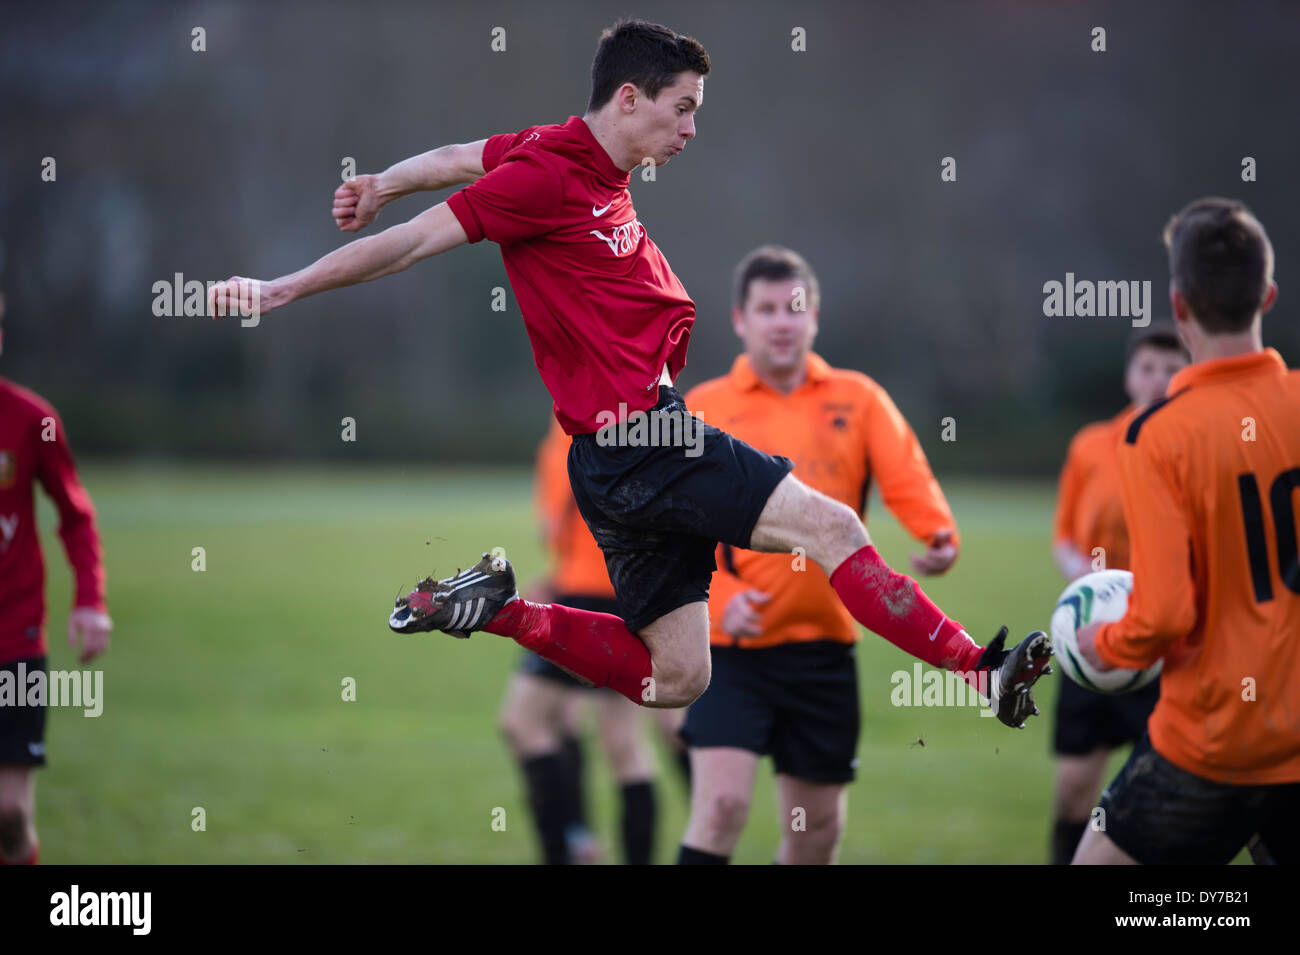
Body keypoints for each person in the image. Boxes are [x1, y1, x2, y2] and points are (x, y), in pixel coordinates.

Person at [208, 18, 1050, 729]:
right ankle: (979, 667)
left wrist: (383, 180)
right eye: (683, 110)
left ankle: (495, 608)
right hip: (644, 439)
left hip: (608, 459)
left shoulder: (561, 150)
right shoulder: (546, 178)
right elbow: (415, 243)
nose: (691, 129)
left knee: (677, 676)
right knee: (833, 529)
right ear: (629, 100)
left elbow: (466, 153)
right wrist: (281, 287)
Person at [677, 246, 960, 865]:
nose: (782, 321)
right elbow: (672, 534)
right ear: (739, 321)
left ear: (815, 319)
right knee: (720, 810)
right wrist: (721, 604)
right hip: (730, 652)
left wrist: (936, 533)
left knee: (816, 834)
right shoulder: (705, 407)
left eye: (795, 308)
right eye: (767, 309)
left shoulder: (858, 398)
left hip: (825, 647)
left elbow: (907, 475)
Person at [1075, 197, 1300, 864]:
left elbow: (1166, 612)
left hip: (1211, 744)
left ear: (1178, 306)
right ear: (1267, 294)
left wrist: (1105, 642)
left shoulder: (1159, 434)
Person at [498, 418, 686, 864]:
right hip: (604, 590)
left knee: (523, 720)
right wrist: (558, 577)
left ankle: (564, 848)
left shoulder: (607, 413)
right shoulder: (567, 423)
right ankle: (578, 841)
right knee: (622, 743)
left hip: (599, 593)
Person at [1047, 323, 1187, 864]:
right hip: (1089, 634)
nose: (1158, 379)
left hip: (1164, 641)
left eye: (1172, 369)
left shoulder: (1191, 444)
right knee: (1073, 790)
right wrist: (1085, 578)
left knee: (1165, 795)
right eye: (1148, 367)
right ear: (1130, 375)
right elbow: (1063, 536)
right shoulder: (1091, 445)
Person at [0, 291, 113, 865]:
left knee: (11, 814)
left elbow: (74, 514)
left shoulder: (31, 421)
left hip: (15, 641)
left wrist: (90, 600)